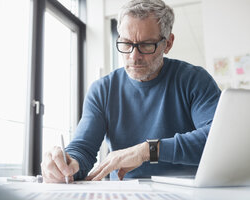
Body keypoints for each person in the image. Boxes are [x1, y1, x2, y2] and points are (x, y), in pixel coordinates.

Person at [41, 0, 221, 183]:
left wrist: (146, 151)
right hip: (123, 191)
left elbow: (218, 139)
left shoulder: (194, 79)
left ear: (168, 44)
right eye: (126, 44)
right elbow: (83, 150)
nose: (134, 57)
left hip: (186, 189)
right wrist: (66, 165)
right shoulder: (102, 90)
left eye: (146, 45)